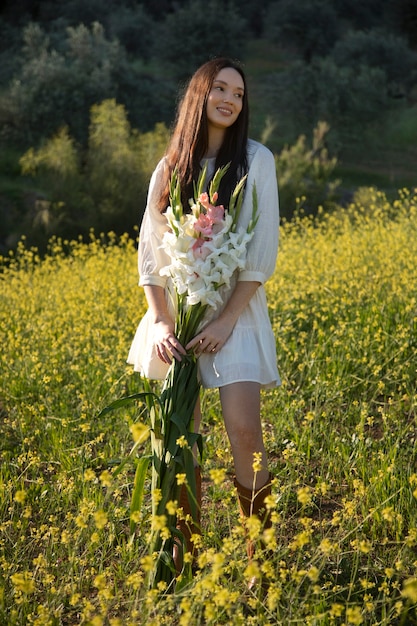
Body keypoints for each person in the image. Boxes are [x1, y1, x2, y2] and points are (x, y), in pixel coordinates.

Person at [127, 57, 280, 580]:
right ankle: (181, 558)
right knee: (179, 434)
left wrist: (226, 320)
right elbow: (150, 256)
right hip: (178, 315)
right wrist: (164, 322)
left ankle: (262, 561)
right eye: (220, 87)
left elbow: (261, 252)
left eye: (239, 92)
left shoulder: (257, 160)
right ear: (200, 94)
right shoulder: (170, 167)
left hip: (233, 313)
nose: (231, 99)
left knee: (244, 431)